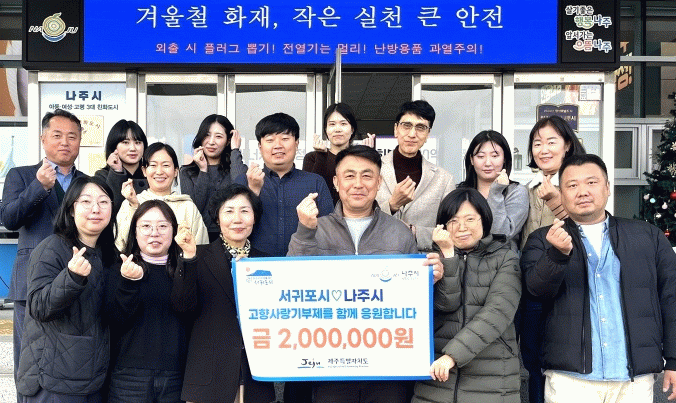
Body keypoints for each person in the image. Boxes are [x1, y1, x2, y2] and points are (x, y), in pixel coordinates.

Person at [288, 145, 443, 403]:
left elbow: (414, 300)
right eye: (349, 176)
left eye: (367, 175)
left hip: (388, 367)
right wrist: (305, 231)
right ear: (336, 182)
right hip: (330, 364)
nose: (358, 184)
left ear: (379, 182)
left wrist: (431, 279)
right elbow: (293, 282)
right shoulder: (316, 228)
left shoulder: (400, 232)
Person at [521, 154, 676, 402]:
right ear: (561, 193)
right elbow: (535, 292)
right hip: (569, 379)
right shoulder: (543, 239)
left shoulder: (648, 237)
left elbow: (671, 297)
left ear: (607, 188)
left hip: (633, 379)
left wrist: (674, 360)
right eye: (572, 185)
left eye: (591, 182)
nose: (582, 191)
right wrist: (556, 256)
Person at [0, 109, 86, 400]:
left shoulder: (87, 182)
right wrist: (39, 187)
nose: (65, 142)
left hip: (76, 281)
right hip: (32, 285)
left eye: (72, 136)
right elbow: (9, 219)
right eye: (57, 135)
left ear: (80, 141)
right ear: (43, 139)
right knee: (29, 363)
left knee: (72, 359)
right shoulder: (22, 175)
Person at [411, 188, 521, 403]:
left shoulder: (506, 258)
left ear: (484, 220)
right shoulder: (432, 260)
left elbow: (498, 312)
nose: (461, 227)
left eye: (470, 219)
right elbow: (447, 305)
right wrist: (448, 256)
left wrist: (452, 356)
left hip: (492, 377)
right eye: (453, 221)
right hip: (437, 378)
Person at [16, 176, 117, 402]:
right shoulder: (52, 248)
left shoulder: (111, 255)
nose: (96, 209)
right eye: (86, 201)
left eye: (103, 202)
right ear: (71, 209)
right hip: (52, 379)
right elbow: (39, 307)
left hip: (95, 378)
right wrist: (71, 278)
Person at [173, 184, 275, 403]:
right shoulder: (197, 256)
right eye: (229, 211)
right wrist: (188, 258)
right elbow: (183, 307)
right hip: (208, 377)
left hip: (254, 378)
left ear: (254, 218)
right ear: (217, 219)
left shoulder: (268, 262)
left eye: (245, 211)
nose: (237, 219)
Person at [518, 115, 586, 403]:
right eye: (537, 143)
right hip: (532, 287)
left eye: (551, 142)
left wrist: (555, 199)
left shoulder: (577, 184)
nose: (543, 149)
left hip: (567, 286)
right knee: (533, 361)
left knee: (562, 361)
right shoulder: (527, 188)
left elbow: (584, 226)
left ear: (567, 145)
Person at [105, 199, 195, 402]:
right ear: (134, 232)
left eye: (162, 226)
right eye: (146, 226)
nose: (154, 233)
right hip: (128, 377)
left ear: (174, 231)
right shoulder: (119, 269)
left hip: (175, 376)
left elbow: (188, 311)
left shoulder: (185, 269)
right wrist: (128, 282)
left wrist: (188, 260)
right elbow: (114, 321)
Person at [235, 112, 333, 257]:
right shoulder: (243, 181)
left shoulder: (315, 182)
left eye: (285, 139)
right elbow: (234, 226)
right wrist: (252, 192)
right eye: (270, 140)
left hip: (304, 262)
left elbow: (329, 229)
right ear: (260, 147)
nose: (278, 146)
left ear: (297, 143)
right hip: (254, 264)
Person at [376, 100, 455, 252]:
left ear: (428, 134)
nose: (412, 134)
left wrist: (414, 232)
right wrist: (391, 205)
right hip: (379, 257)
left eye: (421, 127)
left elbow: (451, 230)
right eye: (406, 125)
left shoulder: (444, 179)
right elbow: (359, 219)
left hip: (424, 260)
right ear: (396, 129)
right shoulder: (374, 170)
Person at [115, 142, 208, 251]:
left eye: (166, 165)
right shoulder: (131, 203)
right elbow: (121, 245)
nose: (159, 172)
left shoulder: (188, 207)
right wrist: (134, 207)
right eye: (153, 165)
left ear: (176, 171)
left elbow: (201, 249)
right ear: (144, 171)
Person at [180, 114, 247, 242]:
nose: (211, 142)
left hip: (232, 237)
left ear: (228, 141)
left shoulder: (236, 169)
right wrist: (203, 171)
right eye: (207, 135)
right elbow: (195, 209)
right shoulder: (186, 172)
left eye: (218, 136)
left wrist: (235, 150)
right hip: (198, 238)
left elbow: (240, 190)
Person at [457, 130, 528, 248]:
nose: (488, 163)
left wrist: (496, 192)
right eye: (480, 156)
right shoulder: (459, 192)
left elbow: (501, 235)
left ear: (504, 158)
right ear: (471, 160)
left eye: (495, 156)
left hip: (502, 259)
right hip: (463, 258)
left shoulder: (516, 192)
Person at [303, 103, 375, 204]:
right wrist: (321, 155)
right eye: (332, 124)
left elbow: (369, 189)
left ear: (352, 129)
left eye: (343, 124)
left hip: (354, 212)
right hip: (321, 214)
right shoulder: (313, 157)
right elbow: (311, 192)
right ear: (326, 129)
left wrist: (367, 156)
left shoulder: (360, 157)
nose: (337, 129)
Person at [94, 119, 148, 216]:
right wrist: (117, 172)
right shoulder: (101, 177)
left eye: (138, 142)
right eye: (125, 142)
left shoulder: (151, 175)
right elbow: (109, 211)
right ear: (114, 147)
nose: (133, 148)